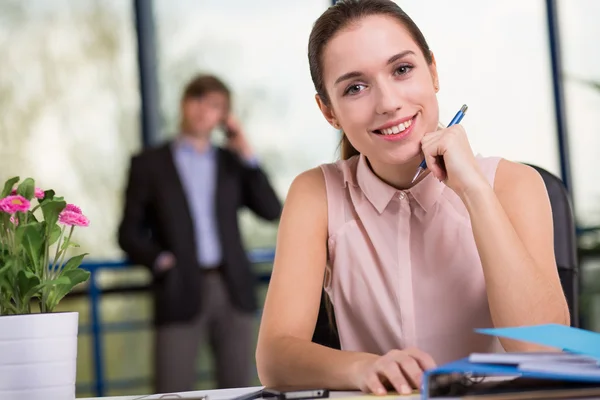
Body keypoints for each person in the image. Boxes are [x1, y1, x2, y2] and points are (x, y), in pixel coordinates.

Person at [255, 0, 569, 396]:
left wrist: (475, 192)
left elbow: (543, 349)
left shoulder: (513, 184)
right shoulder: (316, 194)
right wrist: (365, 369)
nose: (387, 103)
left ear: (433, 71)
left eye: (402, 70)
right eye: (355, 87)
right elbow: (275, 357)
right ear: (328, 111)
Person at [118, 74, 282, 392]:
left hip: (233, 287)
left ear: (224, 117)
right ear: (184, 103)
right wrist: (162, 262)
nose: (204, 110)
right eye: (198, 100)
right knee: (171, 391)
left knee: (239, 391)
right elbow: (128, 232)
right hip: (177, 287)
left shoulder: (232, 162)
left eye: (215, 105)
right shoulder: (149, 164)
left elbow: (271, 209)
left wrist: (246, 152)